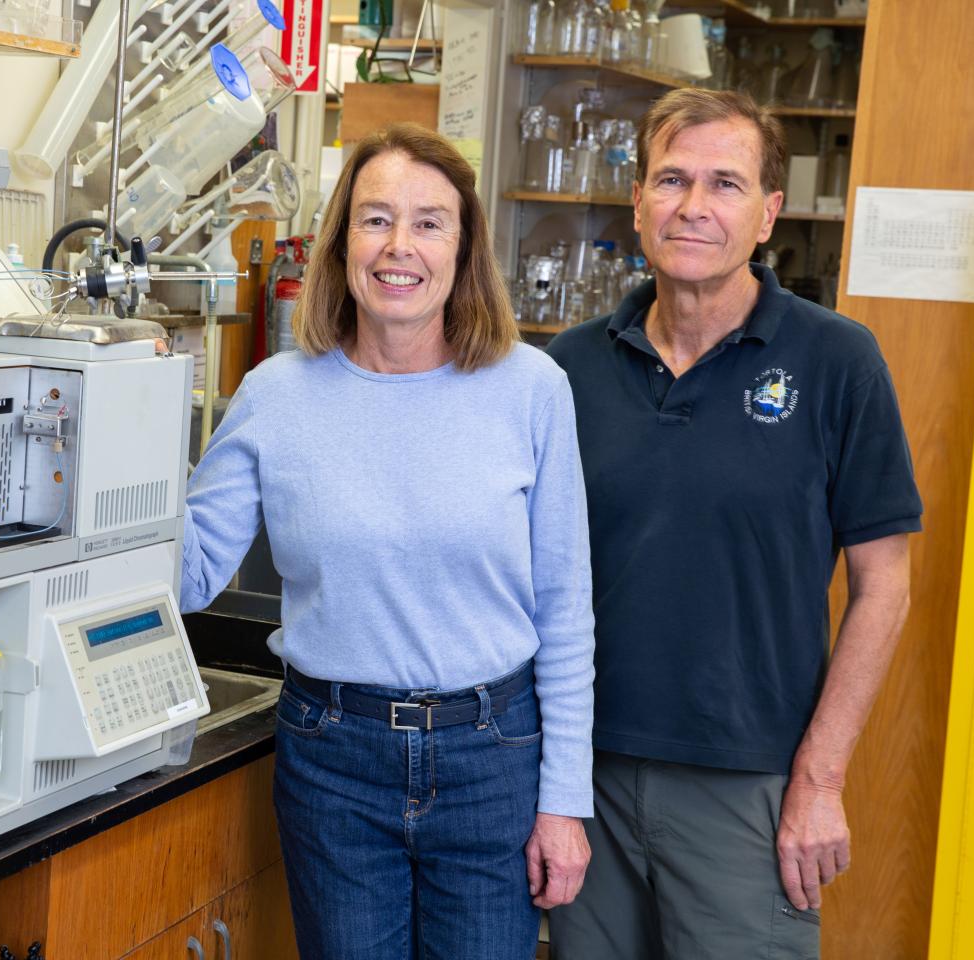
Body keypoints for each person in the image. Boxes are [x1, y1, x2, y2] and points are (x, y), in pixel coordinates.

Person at [178, 123, 596, 960]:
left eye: (429, 222)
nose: (399, 246)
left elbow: (565, 608)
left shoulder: (532, 389)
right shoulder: (275, 395)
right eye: (375, 219)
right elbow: (185, 579)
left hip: (493, 757)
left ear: (464, 246)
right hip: (333, 758)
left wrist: (564, 802)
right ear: (341, 243)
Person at [545, 88, 921, 959]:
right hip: (582, 778)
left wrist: (819, 782)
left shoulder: (838, 362)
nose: (693, 206)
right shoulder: (566, 368)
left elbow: (884, 587)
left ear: (767, 214)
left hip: (750, 785)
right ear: (636, 200)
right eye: (671, 179)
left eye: (724, 183)